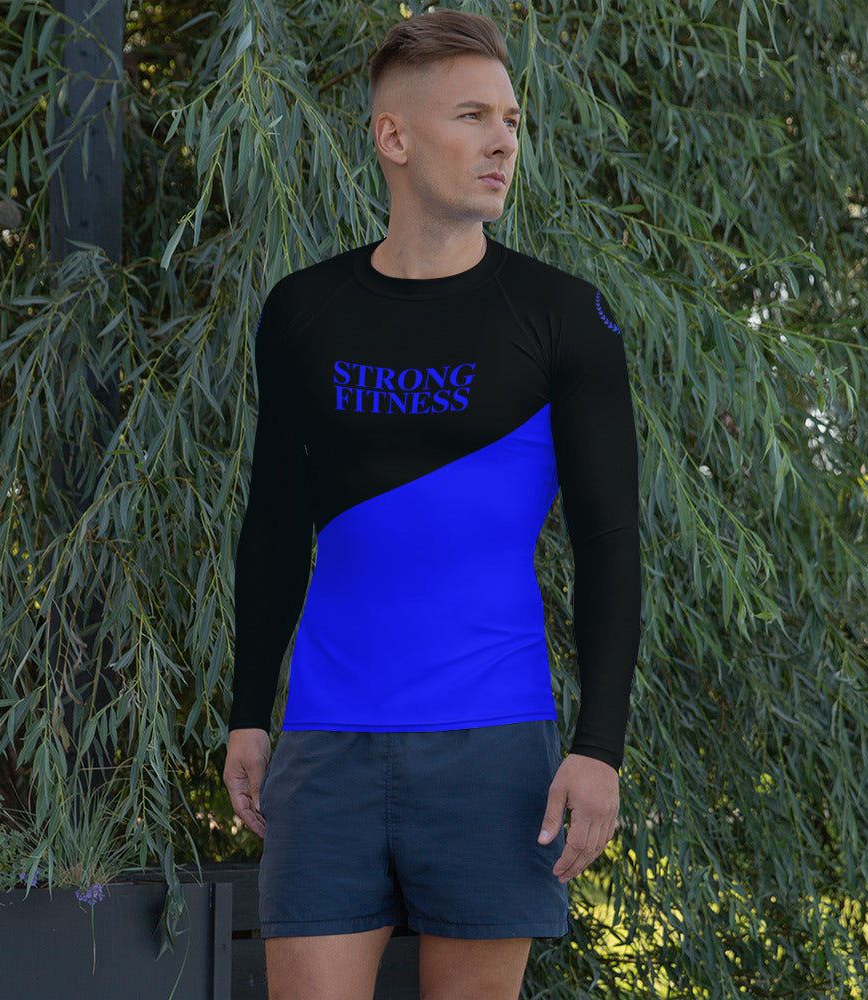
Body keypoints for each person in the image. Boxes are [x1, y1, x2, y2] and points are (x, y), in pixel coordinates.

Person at [222, 9, 641, 1000]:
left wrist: (599, 749)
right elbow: (272, 523)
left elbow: (609, 540)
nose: (503, 142)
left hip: (494, 748)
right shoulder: (304, 311)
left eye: (512, 120)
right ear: (394, 137)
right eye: (472, 116)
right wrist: (247, 713)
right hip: (326, 745)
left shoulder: (562, 316)